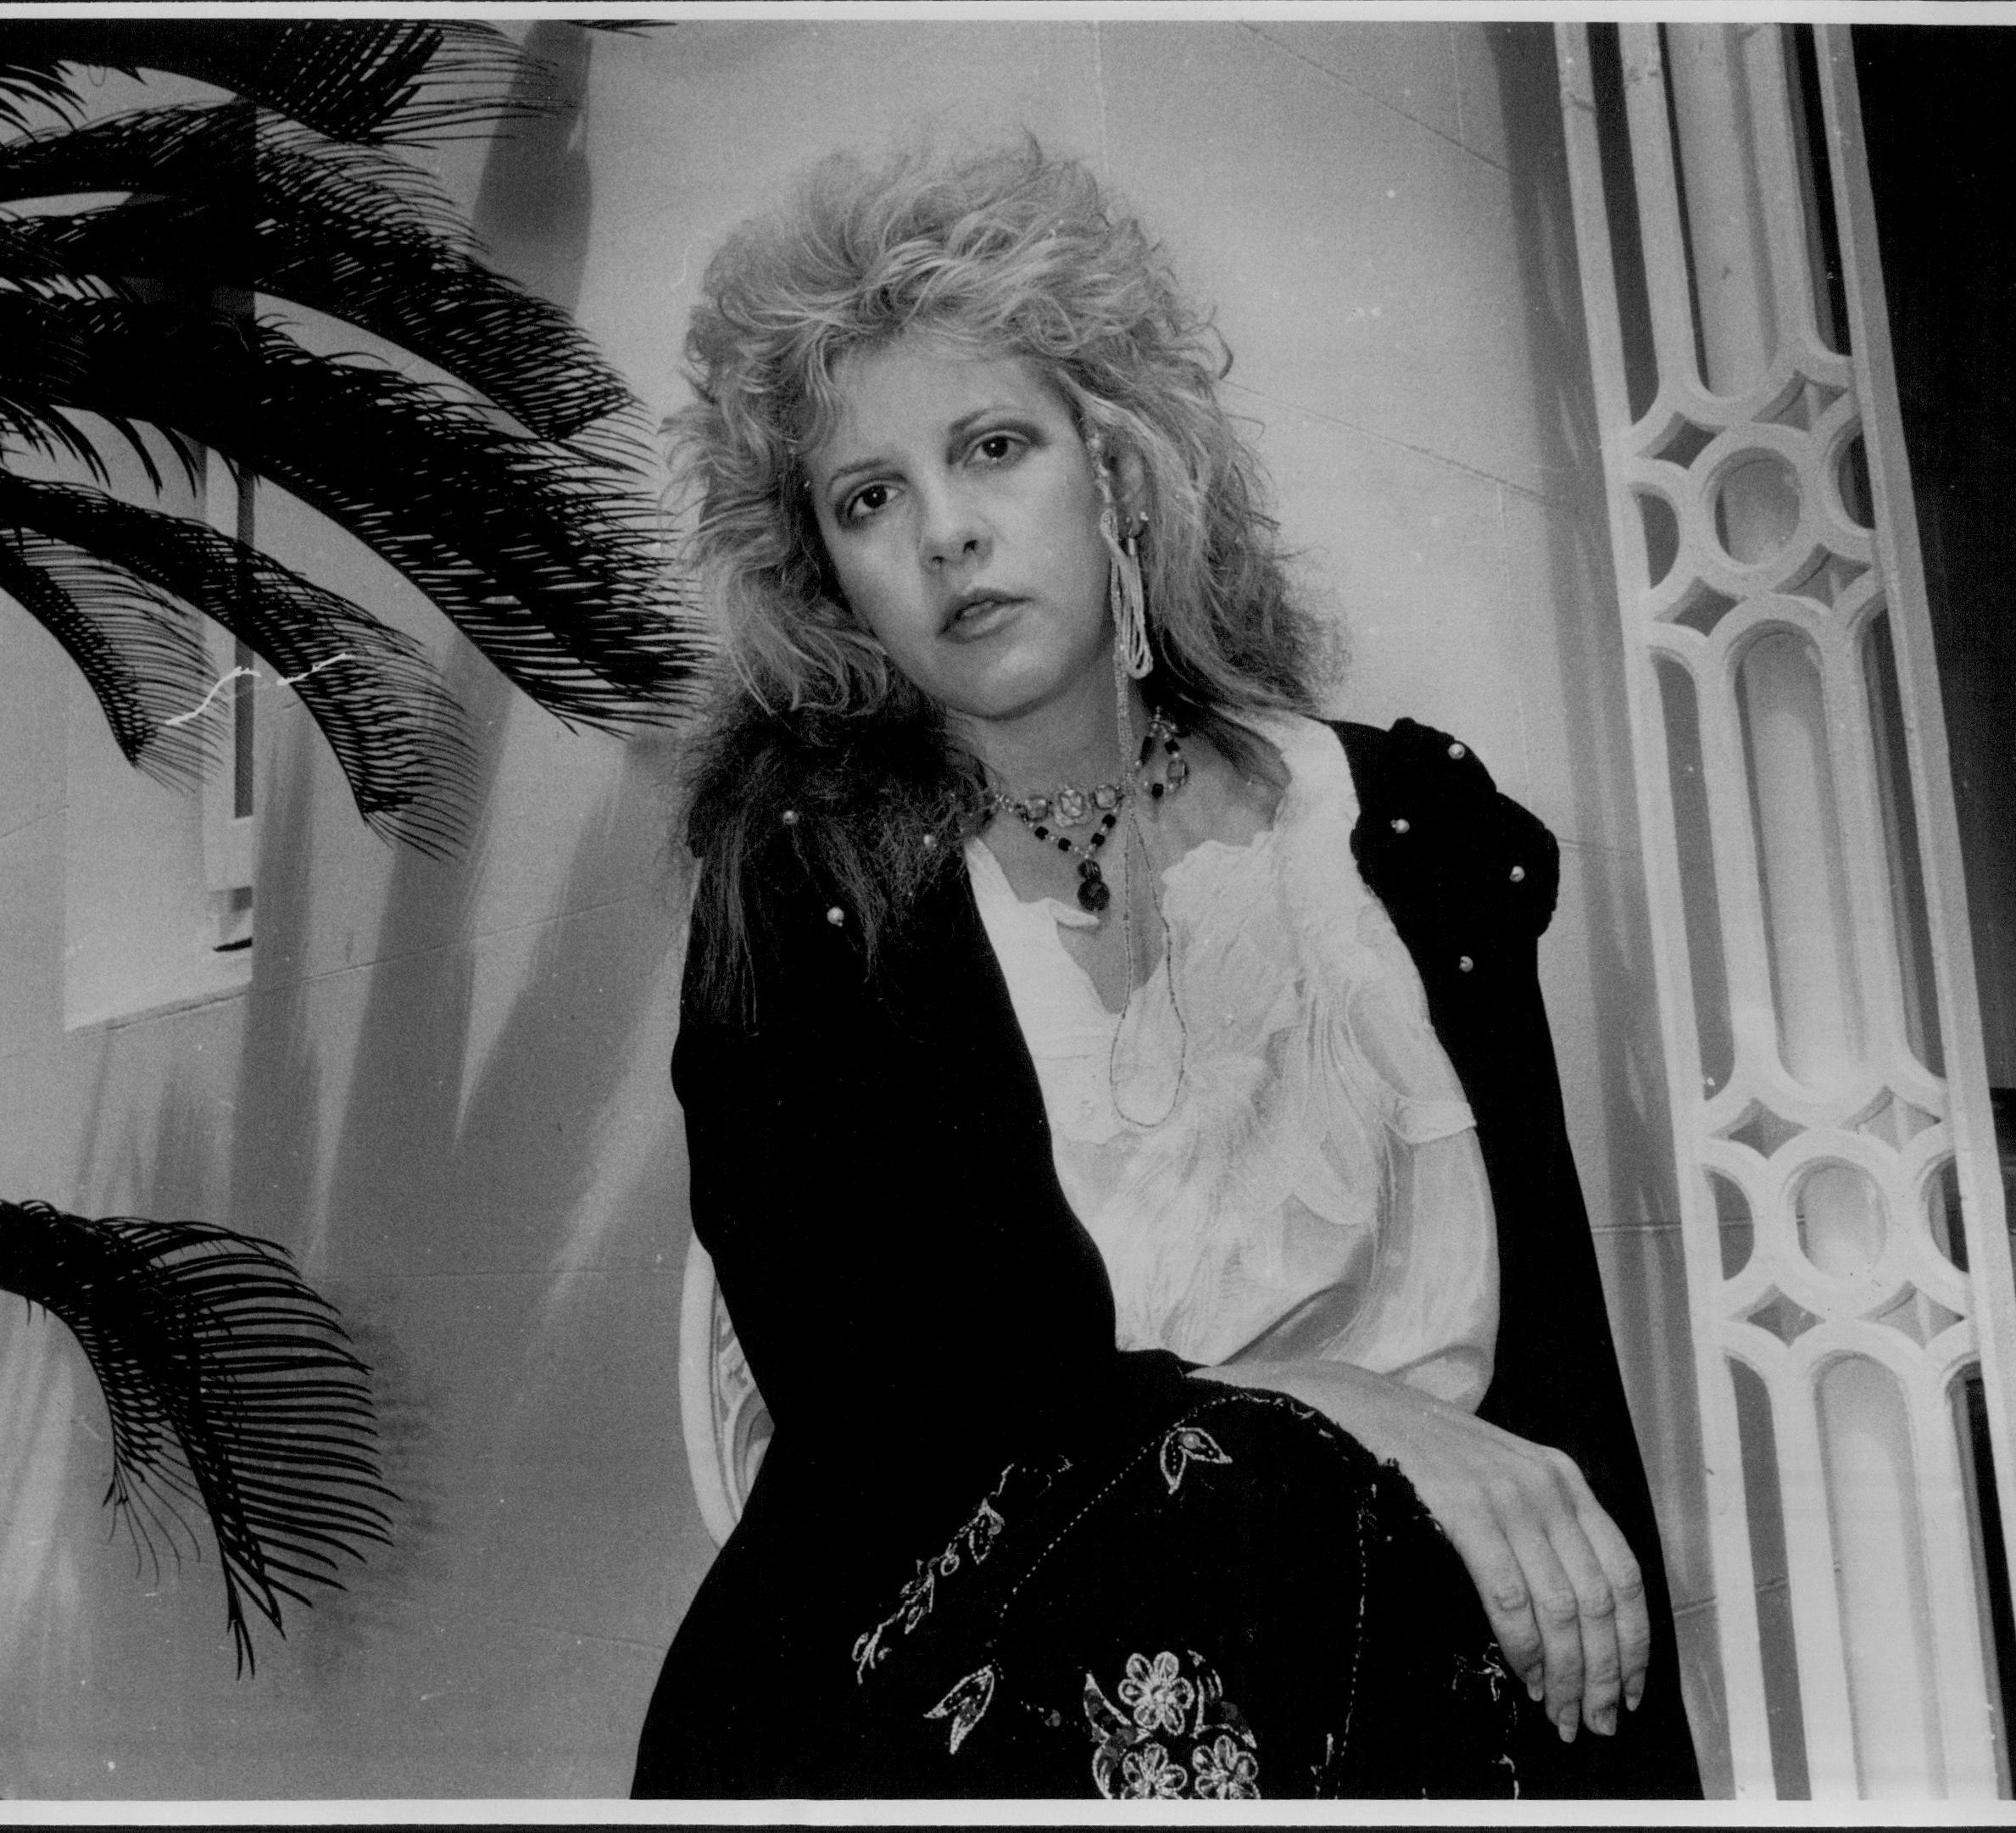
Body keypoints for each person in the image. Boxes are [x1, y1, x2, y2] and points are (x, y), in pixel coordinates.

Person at [634, 142, 1702, 1801]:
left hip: (1402, 1683)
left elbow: (1553, 1385)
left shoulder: (1402, 835)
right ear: (824, 571)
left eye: (994, 446)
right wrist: (1331, 1402)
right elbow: (869, 1390)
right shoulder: (799, 877)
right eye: (868, 496)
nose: (945, 533)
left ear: (1116, 464)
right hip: (976, 1687)